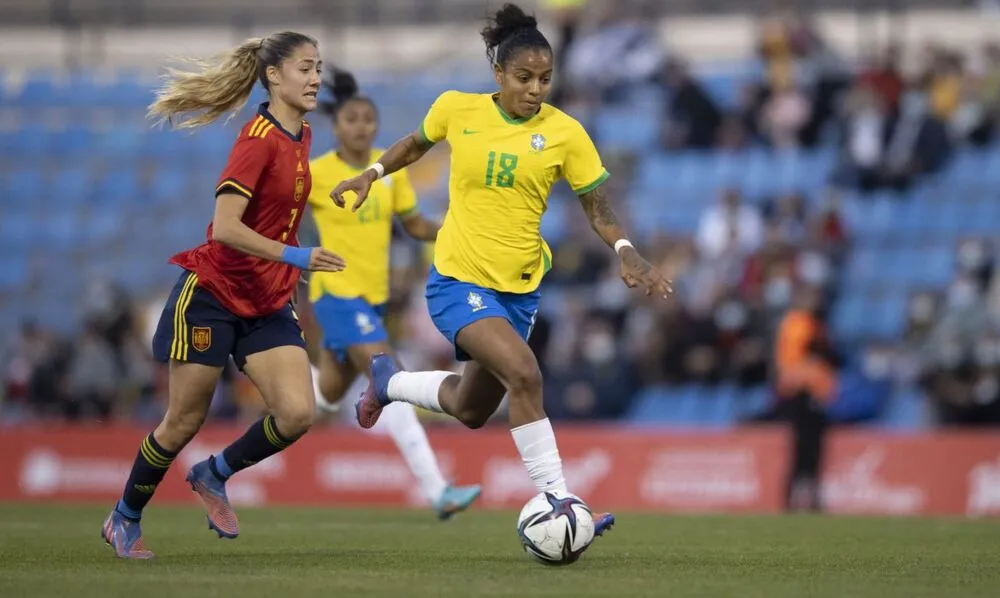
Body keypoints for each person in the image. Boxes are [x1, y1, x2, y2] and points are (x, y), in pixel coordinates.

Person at [332, 4, 671, 537]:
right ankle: (561, 500)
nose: (536, 89)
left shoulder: (565, 133)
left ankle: (389, 381)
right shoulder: (457, 109)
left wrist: (624, 248)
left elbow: (595, 204)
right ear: (498, 74)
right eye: (524, 78)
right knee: (525, 374)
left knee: (470, 409)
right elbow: (414, 144)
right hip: (457, 281)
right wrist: (371, 173)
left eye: (545, 79)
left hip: (519, 293)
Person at [103, 31, 344, 559]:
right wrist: (298, 257)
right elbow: (226, 227)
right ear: (273, 76)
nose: (316, 78)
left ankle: (215, 473)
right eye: (305, 68)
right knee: (184, 420)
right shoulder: (257, 138)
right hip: (213, 293)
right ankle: (124, 516)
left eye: (319, 67)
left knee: (297, 414)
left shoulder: (301, 136)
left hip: (266, 299)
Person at [307, 70, 481, 518]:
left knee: (319, 399)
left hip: (373, 300)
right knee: (391, 379)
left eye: (368, 118)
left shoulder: (388, 173)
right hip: (336, 293)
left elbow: (416, 225)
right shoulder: (317, 173)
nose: (361, 126)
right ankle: (437, 490)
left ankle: (222, 466)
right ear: (337, 126)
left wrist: (455, 231)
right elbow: (277, 215)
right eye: (352, 118)